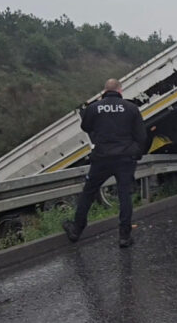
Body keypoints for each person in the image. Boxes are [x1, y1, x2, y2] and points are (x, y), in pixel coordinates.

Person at [63, 78, 147, 248]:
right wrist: (136, 153)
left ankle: (76, 230)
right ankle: (124, 236)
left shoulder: (94, 108)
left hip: (102, 158)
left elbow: (85, 126)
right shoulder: (131, 108)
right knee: (125, 195)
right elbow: (141, 136)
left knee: (89, 191)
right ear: (120, 91)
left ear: (104, 91)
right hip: (125, 158)